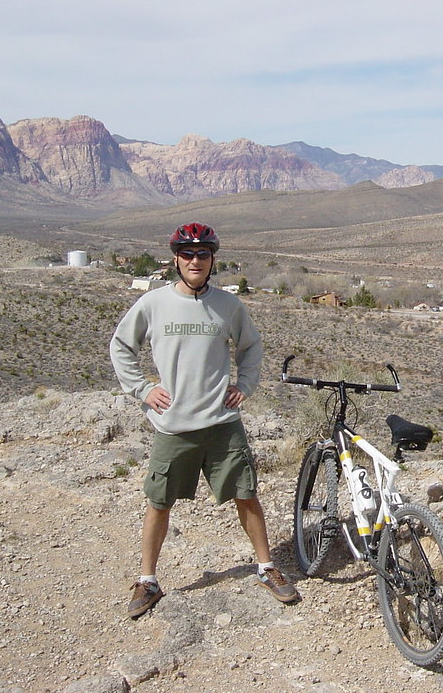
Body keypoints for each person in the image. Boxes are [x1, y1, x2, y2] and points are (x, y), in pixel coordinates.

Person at [110, 222, 298, 618]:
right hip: (172, 424)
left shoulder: (229, 306)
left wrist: (245, 385)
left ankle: (266, 568)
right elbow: (122, 345)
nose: (195, 261)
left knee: (245, 495)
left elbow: (251, 346)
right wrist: (144, 390)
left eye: (203, 255)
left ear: (212, 260)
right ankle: (148, 580)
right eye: (188, 255)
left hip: (221, 423)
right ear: (176, 260)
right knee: (159, 502)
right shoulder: (152, 303)